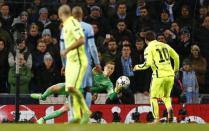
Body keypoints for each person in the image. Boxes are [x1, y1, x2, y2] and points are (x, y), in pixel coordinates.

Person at [30, 61, 122, 124]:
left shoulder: (109, 84)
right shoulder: (96, 71)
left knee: (63, 109)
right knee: (54, 88)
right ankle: (42, 97)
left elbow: (111, 96)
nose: (110, 70)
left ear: (113, 71)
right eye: (108, 67)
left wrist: (117, 90)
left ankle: (42, 119)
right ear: (104, 67)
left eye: (112, 69)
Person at [133, 31, 179, 123]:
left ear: (146, 40)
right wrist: (175, 70)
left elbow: (148, 64)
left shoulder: (149, 48)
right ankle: (170, 115)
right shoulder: (164, 45)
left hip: (159, 75)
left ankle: (156, 119)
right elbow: (176, 57)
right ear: (155, 37)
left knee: (153, 98)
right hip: (170, 74)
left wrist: (137, 67)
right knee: (166, 97)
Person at [58, 4, 90, 124]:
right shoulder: (65, 26)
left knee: (73, 88)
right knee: (70, 90)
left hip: (79, 61)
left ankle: (86, 112)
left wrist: (66, 50)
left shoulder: (72, 23)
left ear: (60, 14)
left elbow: (81, 39)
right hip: (71, 62)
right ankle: (76, 116)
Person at [72, 6, 101, 108]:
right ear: (82, 15)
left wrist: (64, 64)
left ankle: (74, 115)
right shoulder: (88, 27)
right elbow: (92, 47)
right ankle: (86, 115)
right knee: (88, 88)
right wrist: (97, 63)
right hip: (85, 62)